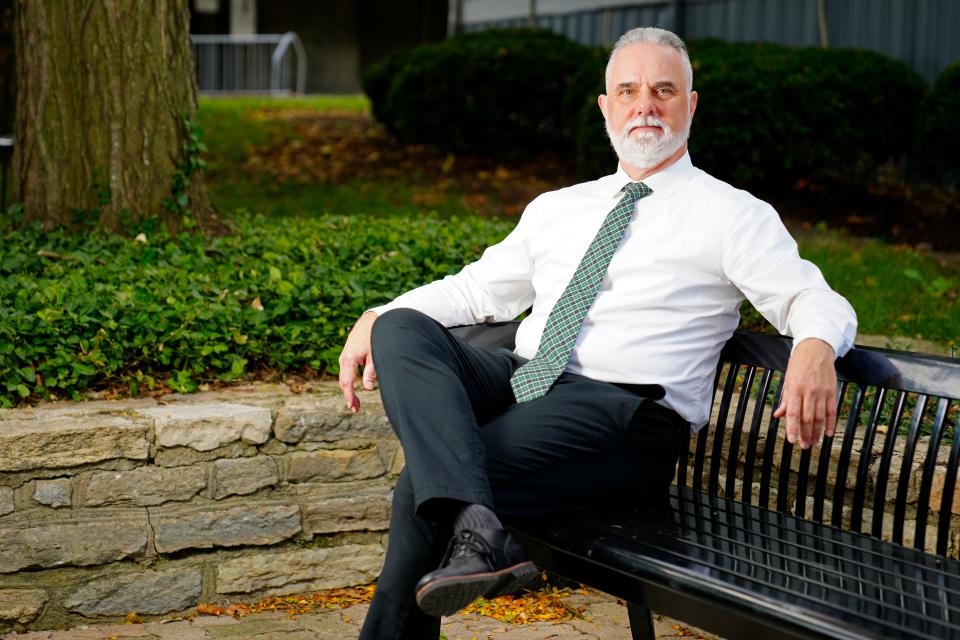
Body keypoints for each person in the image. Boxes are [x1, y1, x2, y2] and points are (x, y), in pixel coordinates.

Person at [338, 26, 856, 640]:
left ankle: (472, 529)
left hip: (624, 413)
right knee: (402, 326)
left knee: (424, 486)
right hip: (523, 379)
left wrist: (816, 346)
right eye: (628, 90)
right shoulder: (560, 206)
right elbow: (479, 289)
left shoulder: (733, 215)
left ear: (690, 106)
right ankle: (479, 524)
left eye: (664, 90)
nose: (646, 105)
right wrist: (374, 317)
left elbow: (810, 296)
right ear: (606, 106)